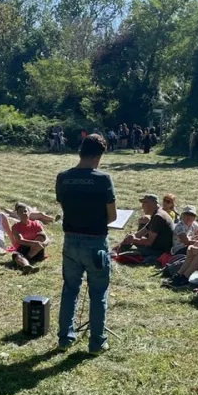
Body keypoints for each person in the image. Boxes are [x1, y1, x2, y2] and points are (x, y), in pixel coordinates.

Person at [55, 133, 117, 354]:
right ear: (99, 155)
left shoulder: (63, 177)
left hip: (70, 240)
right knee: (98, 292)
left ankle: (65, 338)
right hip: (96, 242)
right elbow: (112, 216)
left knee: (70, 289)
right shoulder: (103, 179)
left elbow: (64, 206)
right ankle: (97, 342)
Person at [116, 194, 174, 261]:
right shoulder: (158, 213)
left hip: (158, 252)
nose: (142, 206)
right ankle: (116, 249)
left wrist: (133, 240)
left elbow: (149, 242)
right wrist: (130, 238)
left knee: (124, 255)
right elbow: (141, 232)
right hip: (157, 248)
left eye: (144, 202)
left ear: (152, 203)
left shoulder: (158, 217)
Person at [9, 203, 50, 274]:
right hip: (23, 249)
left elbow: (46, 238)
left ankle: (26, 258)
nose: (24, 213)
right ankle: (27, 266)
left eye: (25, 211)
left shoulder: (36, 223)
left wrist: (43, 244)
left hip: (37, 251)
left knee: (41, 236)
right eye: (21, 212)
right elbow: (20, 240)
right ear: (18, 214)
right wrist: (35, 243)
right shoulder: (15, 227)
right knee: (16, 255)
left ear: (29, 212)